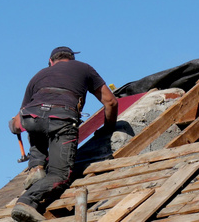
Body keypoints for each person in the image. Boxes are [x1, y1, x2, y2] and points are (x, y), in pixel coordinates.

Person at [8, 46, 118, 222]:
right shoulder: (84, 68)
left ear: (51, 62)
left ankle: (37, 166)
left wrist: (12, 127)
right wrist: (109, 128)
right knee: (59, 175)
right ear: (72, 60)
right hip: (61, 118)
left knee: (36, 124)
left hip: (32, 117)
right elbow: (110, 102)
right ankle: (26, 201)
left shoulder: (38, 75)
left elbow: (18, 122)